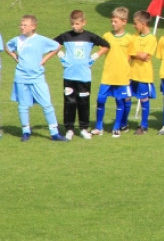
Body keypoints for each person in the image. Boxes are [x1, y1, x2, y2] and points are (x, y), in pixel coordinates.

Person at [6, 14, 66, 142]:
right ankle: (26, 131)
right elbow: (8, 47)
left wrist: (44, 59)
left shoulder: (41, 40)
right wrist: (15, 57)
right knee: (23, 106)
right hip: (21, 77)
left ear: (33, 27)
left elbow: (57, 46)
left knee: (47, 104)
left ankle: (54, 132)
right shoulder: (17, 40)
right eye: (21, 25)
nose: (22, 27)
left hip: (37, 77)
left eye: (25, 25)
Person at [54, 9, 108, 140]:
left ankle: (84, 128)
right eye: (72, 24)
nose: (74, 27)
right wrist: (62, 57)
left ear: (84, 22)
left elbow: (106, 45)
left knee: (83, 103)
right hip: (69, 76)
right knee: (69, 103)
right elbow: (52, 45)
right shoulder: (66, 36)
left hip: (84, 76)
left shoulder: (90, 37)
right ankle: (69, 129)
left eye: (77, 24)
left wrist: (93, 57)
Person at [94, 7, 134, 138]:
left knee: (120, 100)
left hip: (122, 76)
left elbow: (131, 56)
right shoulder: (107, 36)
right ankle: (98, 126)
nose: (113, 24)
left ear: (124, 22)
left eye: (115, 21)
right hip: (108, 75)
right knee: (100, 99)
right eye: (112, 21)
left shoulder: (129, 38)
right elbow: (103, 50)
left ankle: (116, 127)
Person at [128, 10, 157, 134]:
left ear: (143, 23)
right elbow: (129, 52)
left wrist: (133, 53)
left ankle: (143, 125)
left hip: (144, 74)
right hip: (131, 72)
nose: (134, 26)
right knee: (126, 98)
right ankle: (123, 123)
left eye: (135, 23)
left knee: (144, 99)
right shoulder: (134, 36)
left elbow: (144, 56)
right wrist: (136, 54)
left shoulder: (151, 39)